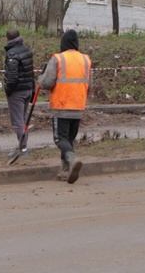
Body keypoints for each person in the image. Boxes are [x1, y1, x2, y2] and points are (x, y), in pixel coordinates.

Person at [38, 29, 91, 184]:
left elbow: (47, 82)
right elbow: (90, 84)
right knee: (69, 140)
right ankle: (65, 170)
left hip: (62, 105)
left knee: (60, 139)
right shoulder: (85, 60)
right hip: (78, 105)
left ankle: (72, 160)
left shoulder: (58, 59)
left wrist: (40, 79)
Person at [3, 29, 35, 163]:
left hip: (17, 92)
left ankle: (23, 149)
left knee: (18, 122)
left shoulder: (12, 54)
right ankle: (23, 147)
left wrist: (8, 90)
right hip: (28, 88)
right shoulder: (26, 50)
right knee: (23, 120)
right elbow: (30, 71)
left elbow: (12, 76)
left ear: (7, 39)